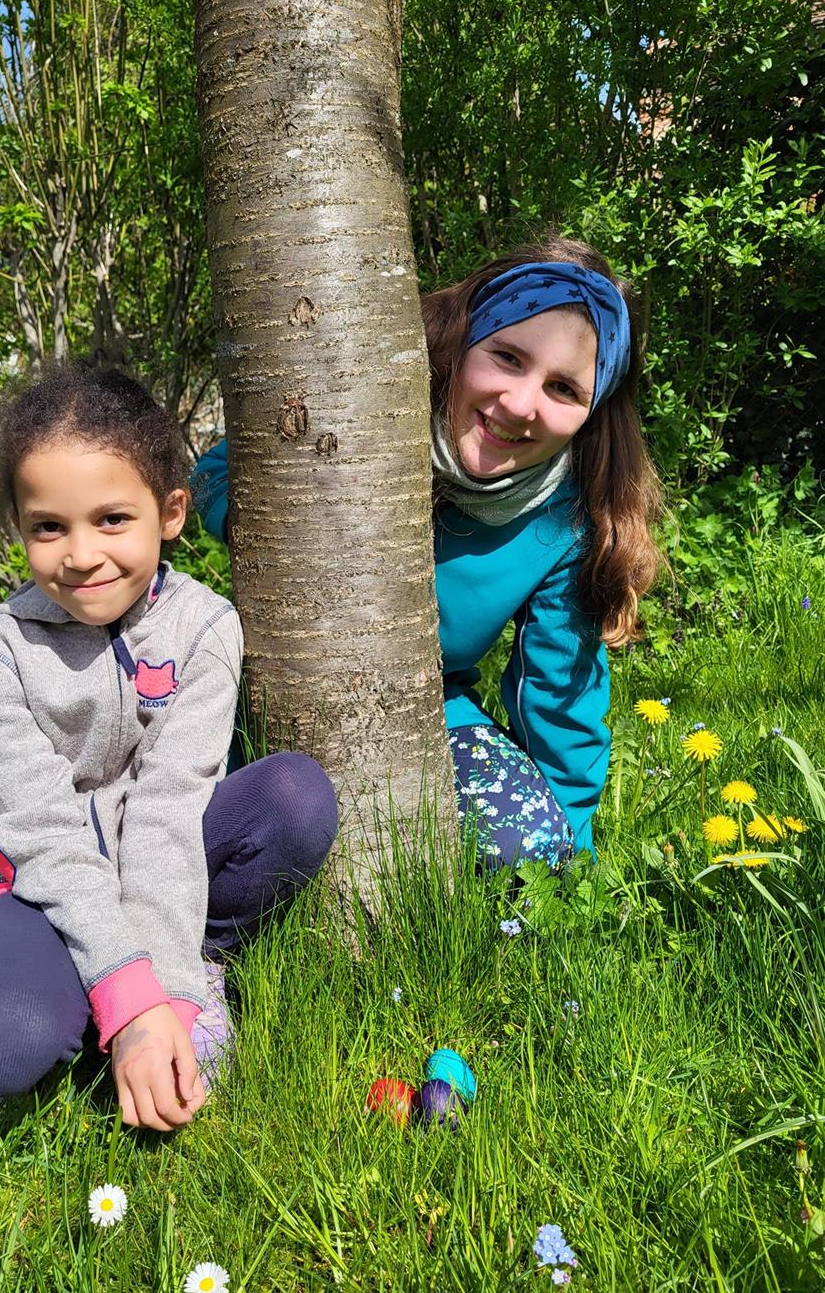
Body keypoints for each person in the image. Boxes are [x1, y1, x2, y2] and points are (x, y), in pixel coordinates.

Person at [0, 365, 338, 1130]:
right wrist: (128, 1000)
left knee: (295, 797)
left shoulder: (205, 627)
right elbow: (43, 835)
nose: (81, 554)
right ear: (20, 529)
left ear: (171, 511)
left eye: (112, 518)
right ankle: (5, 974)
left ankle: (195, 964)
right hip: (39, 885)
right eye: (49, 526)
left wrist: (163, 995)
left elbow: (169, 808)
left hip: (167, 854)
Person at [192, 237, 662, 870]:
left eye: (563, 389)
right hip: (265, 681)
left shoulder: (567, 522)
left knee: (530, 847)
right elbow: (219, 470)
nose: (520, 404)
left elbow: (559, 698)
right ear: (464, 342)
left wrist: (566, 868)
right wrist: (284, 538)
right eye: (507, 357)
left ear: (593, 410)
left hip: (427, 707)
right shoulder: (372, 409)